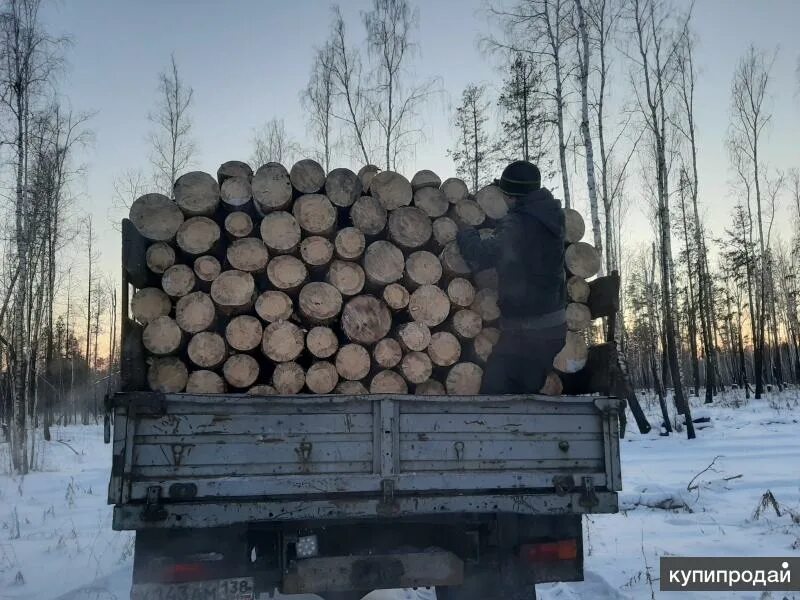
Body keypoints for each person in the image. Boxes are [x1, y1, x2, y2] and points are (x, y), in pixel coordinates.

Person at [457, 160, 566, 395]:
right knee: (519, 398)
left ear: (513, 196)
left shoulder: (520, 223)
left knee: (495, 398)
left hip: (528, 334)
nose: (503, 199)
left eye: (504, 193)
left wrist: (466, 233)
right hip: (550, 327)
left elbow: (482, 254)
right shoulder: (548, 216)